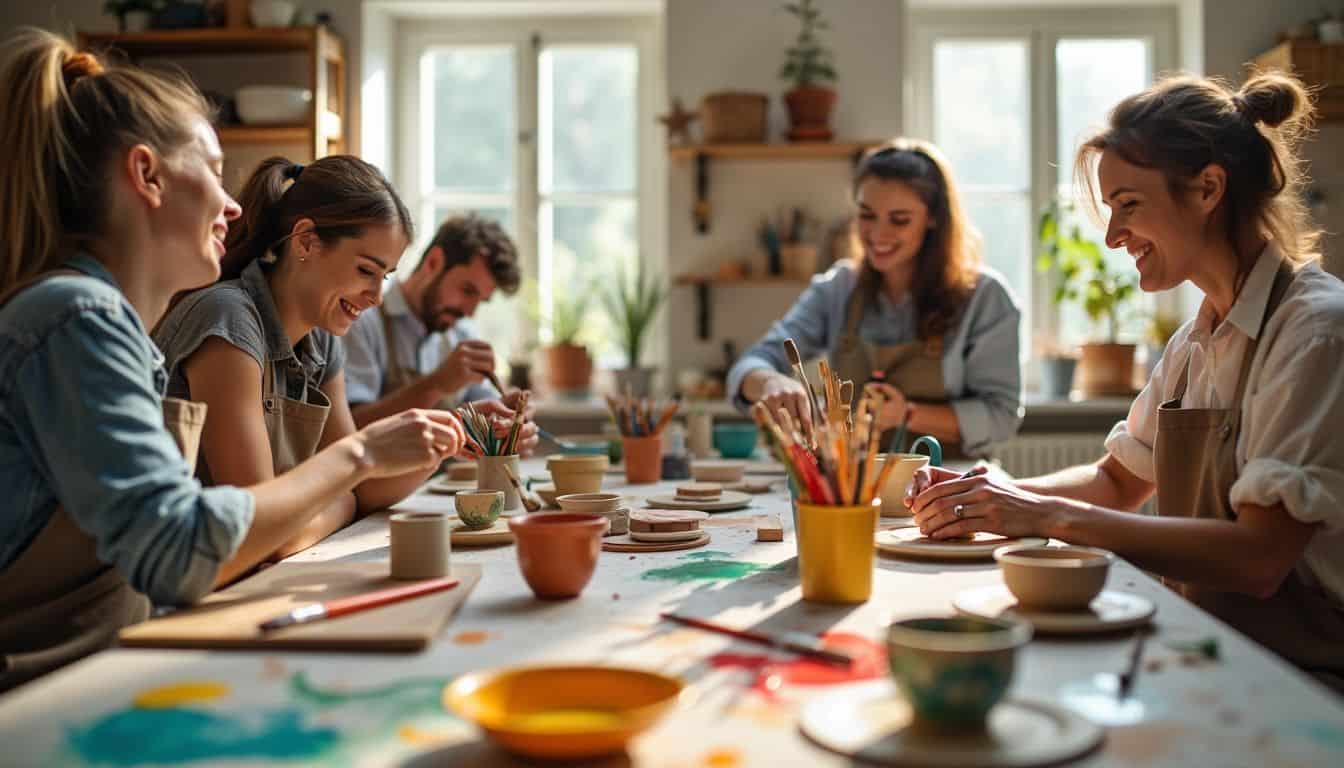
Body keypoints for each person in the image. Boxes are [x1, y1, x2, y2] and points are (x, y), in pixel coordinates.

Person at [0, 30, 467, 691]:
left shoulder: (110, 324)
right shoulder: (80, 319)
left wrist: (413, 451)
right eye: (214, 171)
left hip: (103, 663)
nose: (235, 204)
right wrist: (357, 458)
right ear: (146, 176)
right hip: (38, 691)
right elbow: (186, 550)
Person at [909, 72, 1344, 690]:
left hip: (1306, 682)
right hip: (1216, 654)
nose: (1113, 237)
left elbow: (1258, 558)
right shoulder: (1195, 344)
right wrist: (984, 497)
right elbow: (1116, 481)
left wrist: (1044, 516)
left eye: (1128, 205)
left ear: (1207, 189)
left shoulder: (1315, 332)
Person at [153, 155, 480, 559]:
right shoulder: (229, 321)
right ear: (306, 240)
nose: (376, 297)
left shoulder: (321, 341)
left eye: (385, 277)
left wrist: (441, 442)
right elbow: (259, 532)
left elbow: (361, 487)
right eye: (366, 271)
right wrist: (341, 503)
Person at [726, 138, 1023, 458]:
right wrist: (770, 381)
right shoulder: (836, 290)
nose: (878, 234)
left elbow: (1001, 418)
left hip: (949, 486)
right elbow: (748, 366)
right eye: (867, 215)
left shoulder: (985, 297)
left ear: (934, 219)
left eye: (899, 219)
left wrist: (907, 414)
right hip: (853, 488)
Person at [342, 213, 536, 454]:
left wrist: (506, 420)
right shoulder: (361, 322)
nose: (470, 311)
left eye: (480, 301)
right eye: (467, 290)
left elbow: (483, 408)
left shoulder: (461, 332)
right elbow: (349, 431)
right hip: (379, 489)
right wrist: (436, 384)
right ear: (433, 262)